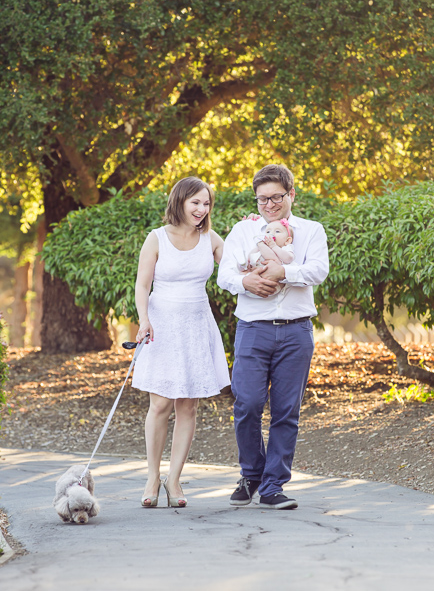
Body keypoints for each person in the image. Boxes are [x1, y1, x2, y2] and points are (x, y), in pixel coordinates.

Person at [217, 164, 329, 510]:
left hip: (296, 331)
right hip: (253, 329)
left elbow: (318, 270)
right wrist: (244, 282)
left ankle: (272, 486)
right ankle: (252, 473)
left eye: (276, 197)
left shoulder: (311, 231)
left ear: (291, 195)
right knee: (247, 404)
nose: (269, 205)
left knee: (286, 411)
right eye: (262, 199)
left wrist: (286, 271)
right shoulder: (243, 230)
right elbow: (225, 274)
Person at [131, 176, 229, 508]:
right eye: (196, 203)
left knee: (187, 405)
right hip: (163, 324)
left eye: (206, 204)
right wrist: (144, 319)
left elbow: (236, 267)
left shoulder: (210, 238)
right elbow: (142, 286)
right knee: (159, 404)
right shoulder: (156, 238)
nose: (202, 210)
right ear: (180, 201)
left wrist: (260, 238)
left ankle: (174, 480)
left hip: (197, 324)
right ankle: (152, 477)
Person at [244, 218, 294, 297]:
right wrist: (248, 262)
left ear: (287, 240)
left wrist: (273, 246)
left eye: (277, 231)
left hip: (272, 283)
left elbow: (288, 259)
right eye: (268, 231)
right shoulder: (263, 246)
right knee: (243, 271)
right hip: (255, 280)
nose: (271, 234)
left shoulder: (285, 248)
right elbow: (252, 254)